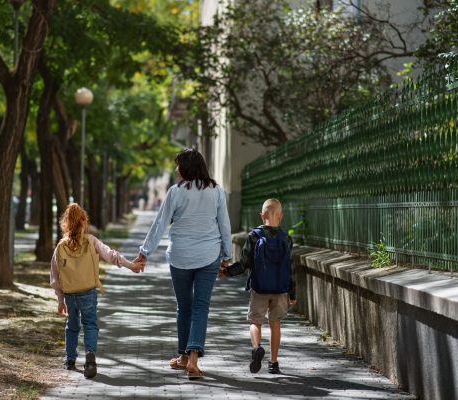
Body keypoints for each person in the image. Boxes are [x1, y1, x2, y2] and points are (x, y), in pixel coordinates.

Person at [133, 148, 232, 380]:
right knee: (200, 307)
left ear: (187, 167)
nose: (176, 169)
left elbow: (160, 224)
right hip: (209, 256)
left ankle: (185, 358)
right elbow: (224, 225)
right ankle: (192, 360)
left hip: (180, 257)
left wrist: (144, 252)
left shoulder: (176, 192)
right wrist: (227, 256)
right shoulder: (216, 191)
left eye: (178, 165)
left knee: (184, 307)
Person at [50, 203, 144, 378]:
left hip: (70, 294)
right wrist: (131, 265)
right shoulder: (91, 242)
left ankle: (70, 360)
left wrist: (60, 299)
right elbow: (111, 255)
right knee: (90, 324)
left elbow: (55, 276)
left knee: (72, 326)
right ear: (84, 222)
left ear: (66, 223)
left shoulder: (60, 246)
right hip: (88, 291)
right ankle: (90, 356)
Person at [218, 198, 296, 374]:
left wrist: (226, 272)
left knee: (255, 322)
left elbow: (244, 263)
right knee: (275, 324)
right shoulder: (287, 238)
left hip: (259, 287)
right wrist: (292, 293)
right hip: (280, 290)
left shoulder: (254, 236)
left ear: (262, 216)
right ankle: (273, 363)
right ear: (281, 217)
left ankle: (256, 348)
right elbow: (291, 268)